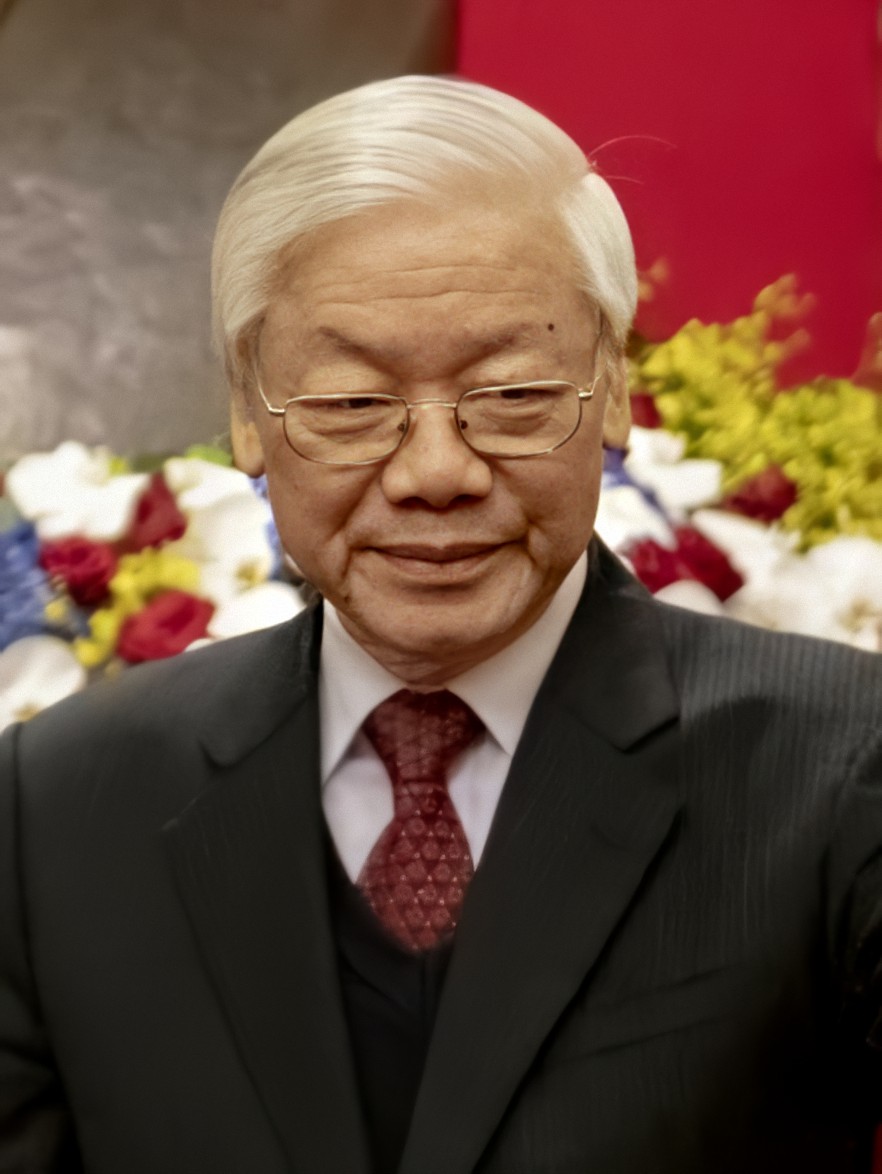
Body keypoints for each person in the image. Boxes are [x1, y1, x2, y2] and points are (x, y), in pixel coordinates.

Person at [1, 75, 880, 1174]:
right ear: (247, 412)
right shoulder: (58, 805)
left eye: (511, 395)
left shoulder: (844, 768)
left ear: (611, 386)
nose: (434, 472)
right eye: (352, 404)